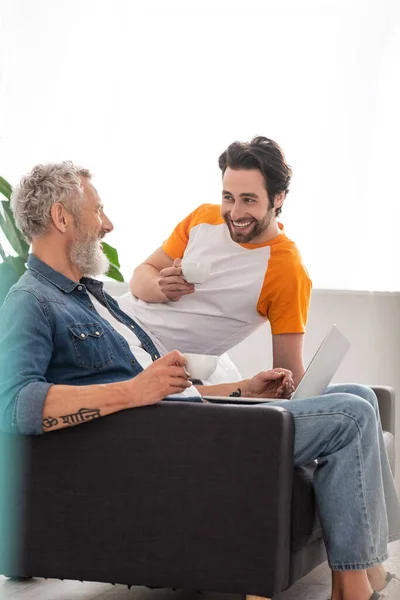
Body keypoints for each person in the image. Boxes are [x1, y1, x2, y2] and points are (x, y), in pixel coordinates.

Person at [0, 163, 399, 600]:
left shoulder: (91, 297)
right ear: (61, 218)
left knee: (360, 395)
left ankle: (363, 575)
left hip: (189, 421)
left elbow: (164, 389)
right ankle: (356, 588)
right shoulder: (30, 302)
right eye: (98, 212)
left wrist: (243, 389)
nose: (108, 225)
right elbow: (15, 403)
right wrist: (133, 391)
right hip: (176, 443)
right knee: (353, 414)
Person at [127, 136, 312, 385]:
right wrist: (161, 288)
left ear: (278, 198)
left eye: (248, 200)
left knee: (359, 397)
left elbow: (288, 373)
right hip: (117, 321)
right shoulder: (204, 217)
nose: (235, 213)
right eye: (228, 197)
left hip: (149, 355)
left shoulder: (287, 269)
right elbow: (140, 276)